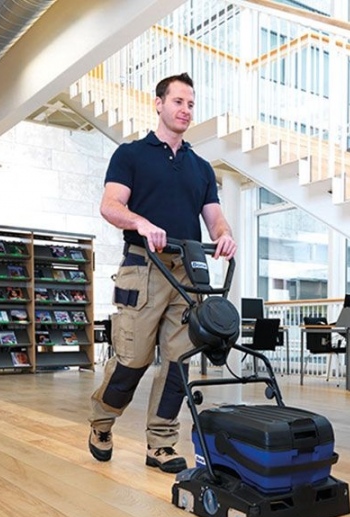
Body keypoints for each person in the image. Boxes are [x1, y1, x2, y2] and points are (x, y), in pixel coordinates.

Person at [88, 72, 237, 473]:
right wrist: (140, 222)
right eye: (178, 102)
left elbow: (215, 217)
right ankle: (102, 422)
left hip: (187, 274)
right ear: (158, 103)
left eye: (191, 104)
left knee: (177, 363)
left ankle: (161, 444)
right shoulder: (132, 155)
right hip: (144, 267)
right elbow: (110, 205)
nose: (185, 110)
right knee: (132, 359)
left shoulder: (201, 167)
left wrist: (223, 236)